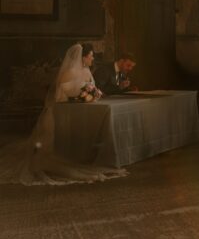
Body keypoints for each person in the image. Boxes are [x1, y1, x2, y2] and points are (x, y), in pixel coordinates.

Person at [0, 44, 127, 185]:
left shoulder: (86, 70)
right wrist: (85, 94)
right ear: (83, 57)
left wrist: (93, 93)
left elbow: (90, 88)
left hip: (82, 108)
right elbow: (64, 94)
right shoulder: (70, 72)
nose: (93, 58)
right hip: (63, 111)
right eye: (91, 56)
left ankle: (86, 153)